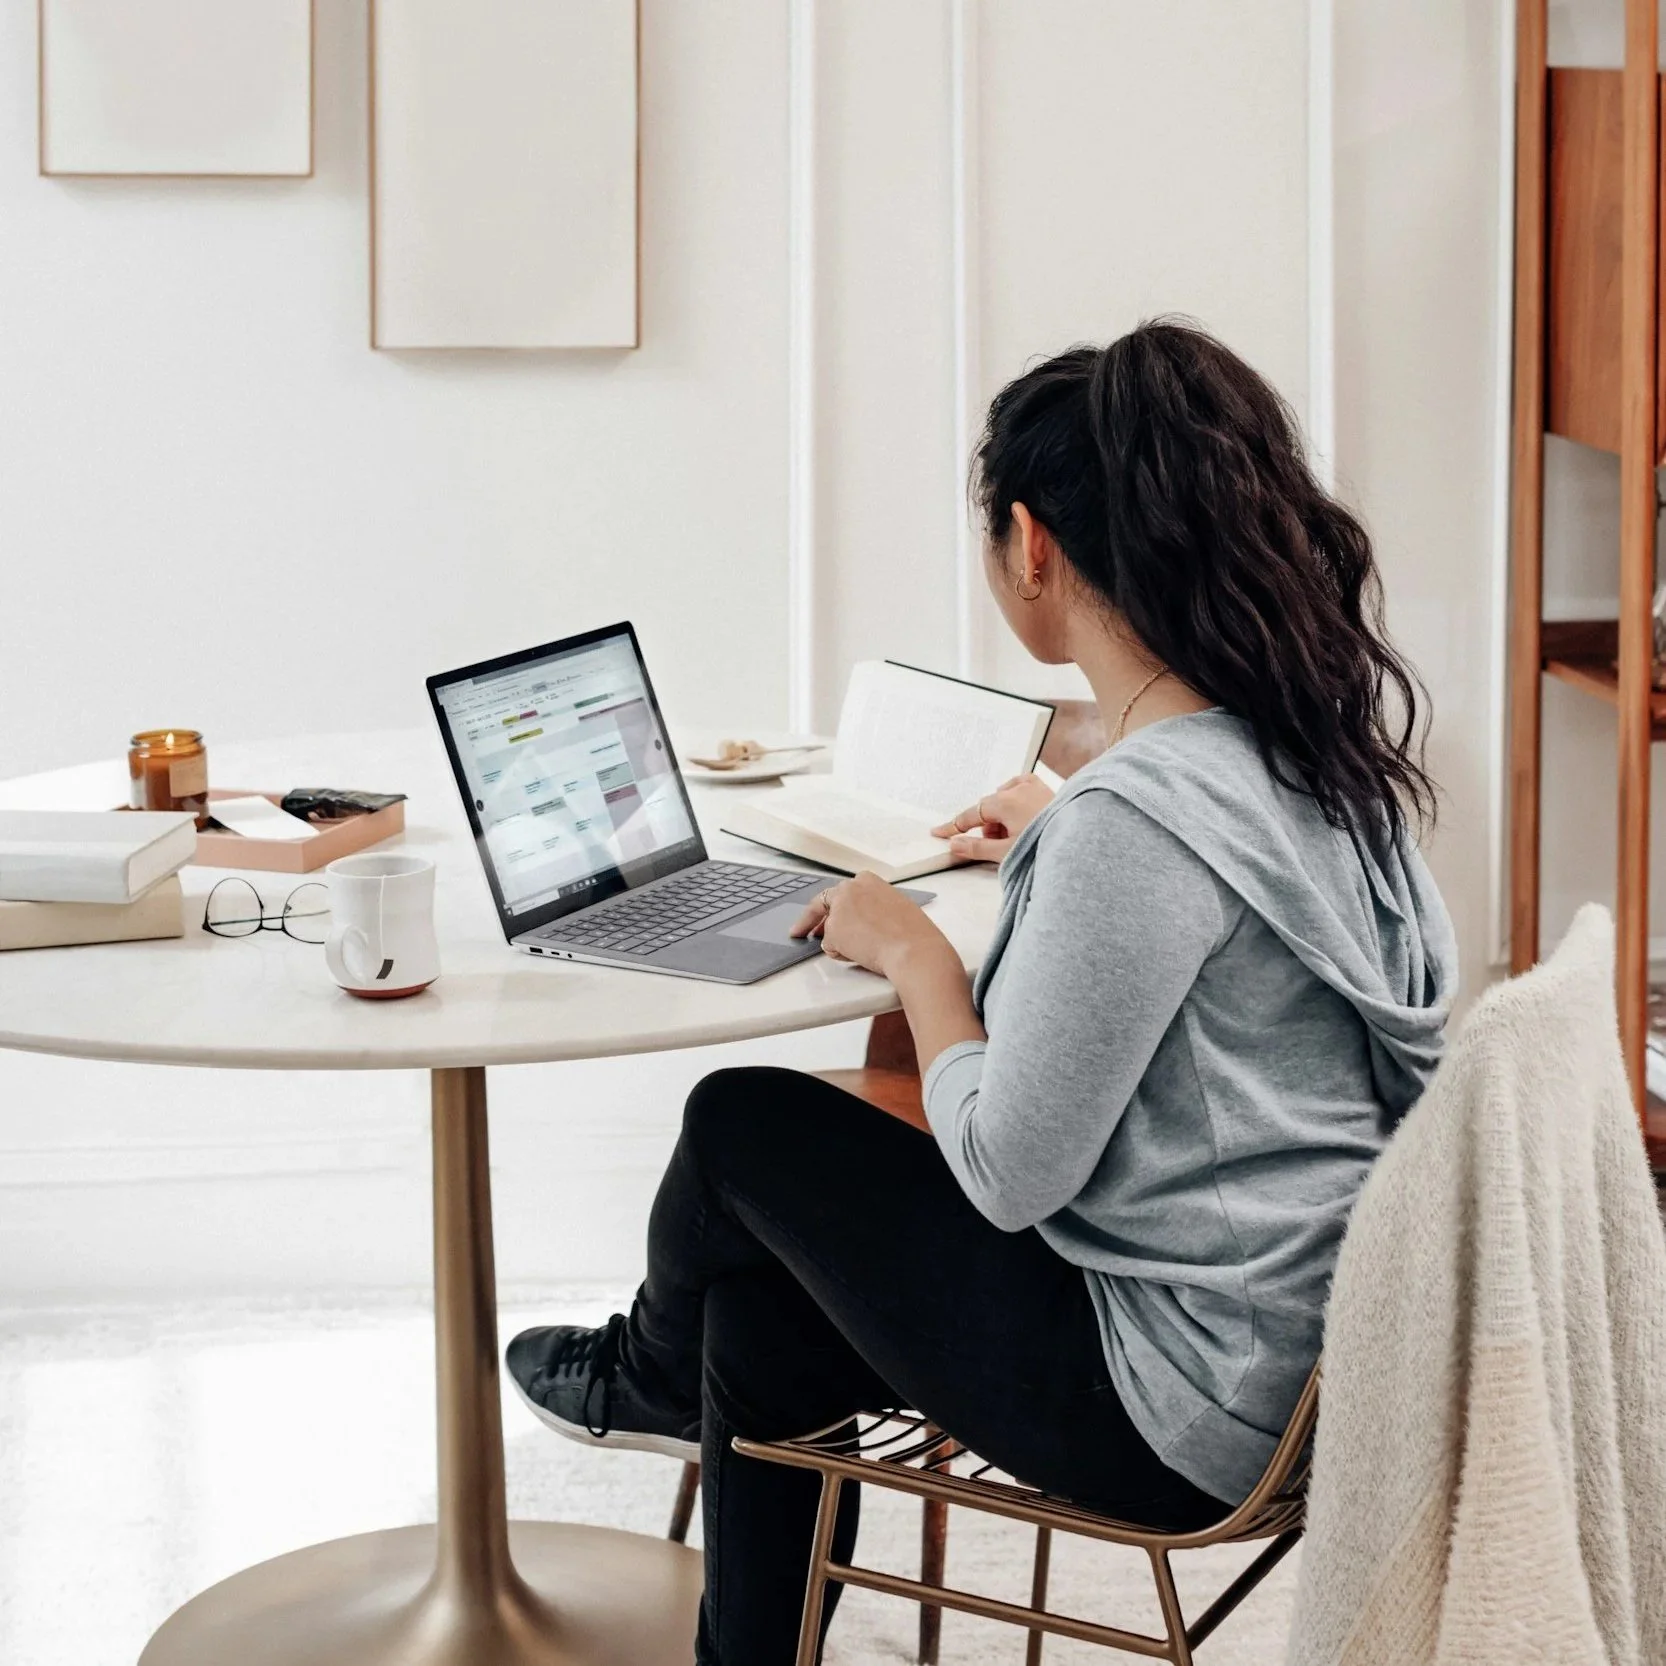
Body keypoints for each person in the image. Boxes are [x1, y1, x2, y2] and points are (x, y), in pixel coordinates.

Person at [506, 320, 1457, 1665]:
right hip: (1313, 1355)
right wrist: (1061, 839)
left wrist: (918, 958)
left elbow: (1009, 1171)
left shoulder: (1137, 826)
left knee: (738, 1123)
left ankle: (640, 1376)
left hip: (1183, 1403)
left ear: (1031, 544)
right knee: (758, 1315)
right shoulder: (1309, 752)